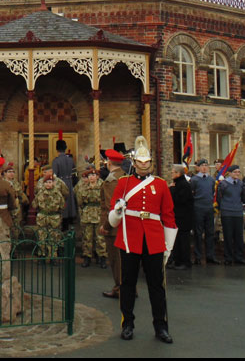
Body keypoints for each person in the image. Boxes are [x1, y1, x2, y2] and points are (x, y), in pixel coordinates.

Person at [107, 136, 177, 344]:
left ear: (151, 164)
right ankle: (127, 323)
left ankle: (161, 326)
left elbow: (169, 215)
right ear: (134, 163)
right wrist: (118, 211)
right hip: (130, 239)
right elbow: (113, 215)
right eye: (140, 162)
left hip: (154, 240)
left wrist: (168, 245)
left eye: (147, 163)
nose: (144, 166)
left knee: (157, 285)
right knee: (127, 284)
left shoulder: (161, 185)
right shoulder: (123, 183)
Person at [99, 149, 126, 298]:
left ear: (109, 162)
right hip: (125, 225)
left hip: (115, 226)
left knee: (116, 260)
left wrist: (106, 226)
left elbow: (113, 206)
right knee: (125, 259)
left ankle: (120, 287)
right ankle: (128, 286)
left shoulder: (111, 181)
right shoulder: (125, 177)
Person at [190, 159, 220, 264]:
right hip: (198, 208)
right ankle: (198, 256)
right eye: (202, 165)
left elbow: (212, 192)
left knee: (210, 233)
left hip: (209, 208)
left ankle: (210, 256)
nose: (204, 167)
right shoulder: (194, 180)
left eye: (206, 165)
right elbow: (192, 193)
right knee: (198, 233)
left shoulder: (211, 180)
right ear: (198, 167)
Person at [76, 167, 106, 268]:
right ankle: (87, 257)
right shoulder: (83, 187)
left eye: (93, 175)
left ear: (97, 177)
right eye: (90, 176)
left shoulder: (102, 186)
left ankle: (102, 257)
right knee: (87, 237)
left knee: (100, 237)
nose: (92, 177)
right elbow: (80, 201)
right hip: (87, 214)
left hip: (98, 213)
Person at [217, 166, 245, 266]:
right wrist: (224, 207)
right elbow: (219, 198)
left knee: (239, 236)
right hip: (227, 212)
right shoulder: (223, 184)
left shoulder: (241, 184)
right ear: (229, 173)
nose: (237, 174)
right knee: (228, 235)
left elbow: (243, 197)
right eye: (235, 172)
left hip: (238, 212)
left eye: (238, 172)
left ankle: (239, 257)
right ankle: (228, 257)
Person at [32, 172, 66, 260]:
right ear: (43, 183)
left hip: (54, 218)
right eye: (46, 182)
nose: (48, 184)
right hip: (42, 217)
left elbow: (62, 205)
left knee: (53, 237)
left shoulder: (58, 194)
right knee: (42, 237)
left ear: (53, 183)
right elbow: (34, 204)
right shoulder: (40, 193)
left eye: (50, 182)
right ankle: (42, 255)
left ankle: (53, 256)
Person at [168, 164, 194, 270]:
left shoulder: (183, 185)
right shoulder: (178, 184)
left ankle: (185, 261)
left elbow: (179, 200)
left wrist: (171, 190)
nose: (171, 174)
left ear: (178, 173)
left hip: (184, 217)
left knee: (183, 241)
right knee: (177, 240)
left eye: (173, 172)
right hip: (178, 217)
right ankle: (177, 260)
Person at [52, 138, 77, 232]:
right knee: (69, 202)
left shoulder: (56, 161)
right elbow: (74, 173)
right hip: (69, 182)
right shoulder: (70, 160)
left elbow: (55, 175)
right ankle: (70, 222)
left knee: (63, 203)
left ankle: (63, 225)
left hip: (61, 183)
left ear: (57, 149)